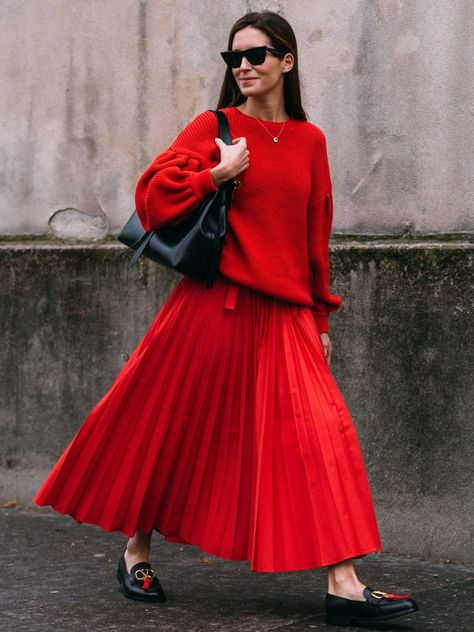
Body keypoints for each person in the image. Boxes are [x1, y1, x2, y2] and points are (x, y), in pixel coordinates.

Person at [33, 10, 418, 626]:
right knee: (171, 430)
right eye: (233, 57)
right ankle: (135, 550)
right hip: (211, 308)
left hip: (287, 315)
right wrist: (217, 174)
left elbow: (314, 236)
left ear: (286, 61)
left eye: (257, 54)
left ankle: (344, 583)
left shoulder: (311, 141)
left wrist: (321, 319)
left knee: (323, 439)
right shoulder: (214, 126)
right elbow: (151, 196)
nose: (243, 66)